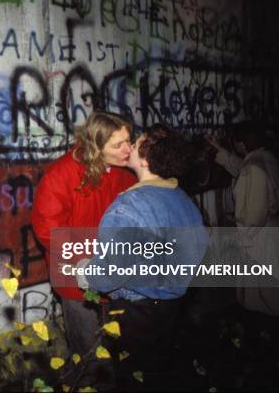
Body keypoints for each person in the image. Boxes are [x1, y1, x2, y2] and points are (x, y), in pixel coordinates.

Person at [75, 124, 208, 387]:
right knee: (160, 375)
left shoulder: (129, 206)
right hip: (172, 309)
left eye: (134, 144)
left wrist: (84, 271)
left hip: (136, 315)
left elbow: (108, 275)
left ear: (145, 159)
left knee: (133, 379)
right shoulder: (181, 198)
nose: (128, 148)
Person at [31, 111, 137, 387]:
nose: (128, 149)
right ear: (95, 147)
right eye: (118, 144)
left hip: (117, 275)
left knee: (117, 347)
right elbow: (48, 230)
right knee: (91, 353)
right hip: (77, 281)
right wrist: (88, 263)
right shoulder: (61, 175)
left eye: (129, 140)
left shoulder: (126, 173)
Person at [207, 122, 279, 316]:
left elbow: (252, 216)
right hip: (275, 228)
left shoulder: (253, 169)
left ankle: (265, 335)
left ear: (241, 144)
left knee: (263, 296)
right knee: (277, 292)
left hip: (262, 236)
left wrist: (242, 238)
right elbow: (242, 169)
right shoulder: (265, 158)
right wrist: (220, 151)